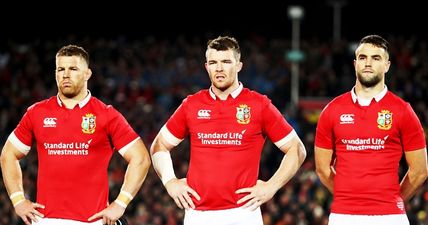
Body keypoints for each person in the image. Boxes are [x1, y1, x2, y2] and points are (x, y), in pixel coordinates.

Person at [150, 36, 307, 225]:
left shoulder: (259, 104)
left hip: (243, 213)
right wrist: (170, 182)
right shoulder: (192, 105)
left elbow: (296, 149)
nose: (219, 68)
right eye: (213, 63)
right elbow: (159, 146)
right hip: (198, 214)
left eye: (226, 62)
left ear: (239, 65)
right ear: (206, 67)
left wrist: (271, 187)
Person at [0, 45, 151, 225]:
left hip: (91, 221)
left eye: (73, 69)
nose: (65, 74)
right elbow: (9, 154)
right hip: (44, 220)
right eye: (60, 69)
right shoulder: (37, 113)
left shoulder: (106, 115)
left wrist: (120, 204)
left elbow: (141, 158)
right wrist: (18, 200)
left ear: (87, 74)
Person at [314, 34, 428, 225]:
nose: (368, 63)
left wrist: (393, 200)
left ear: (387, 65)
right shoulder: (332, 110)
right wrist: (348, 197)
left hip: (390, 216)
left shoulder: (403, 111)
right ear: (355, 63)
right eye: (363, 57)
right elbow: (322, 169)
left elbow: (420, 171)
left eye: (376, 58)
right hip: (344, 215)